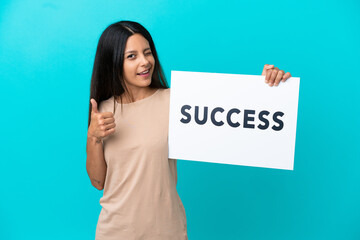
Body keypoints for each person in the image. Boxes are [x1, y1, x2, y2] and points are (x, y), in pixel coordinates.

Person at [86, 20, 292, 240]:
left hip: (166, 231)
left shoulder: (177, 102)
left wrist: (266, 89)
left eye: (148, 53)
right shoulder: (102, 110)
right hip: (115, 232)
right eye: (132, 56)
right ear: (113, 62)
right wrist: (93, 137)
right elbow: (99, 182)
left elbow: (233, 118)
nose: (145, 62)